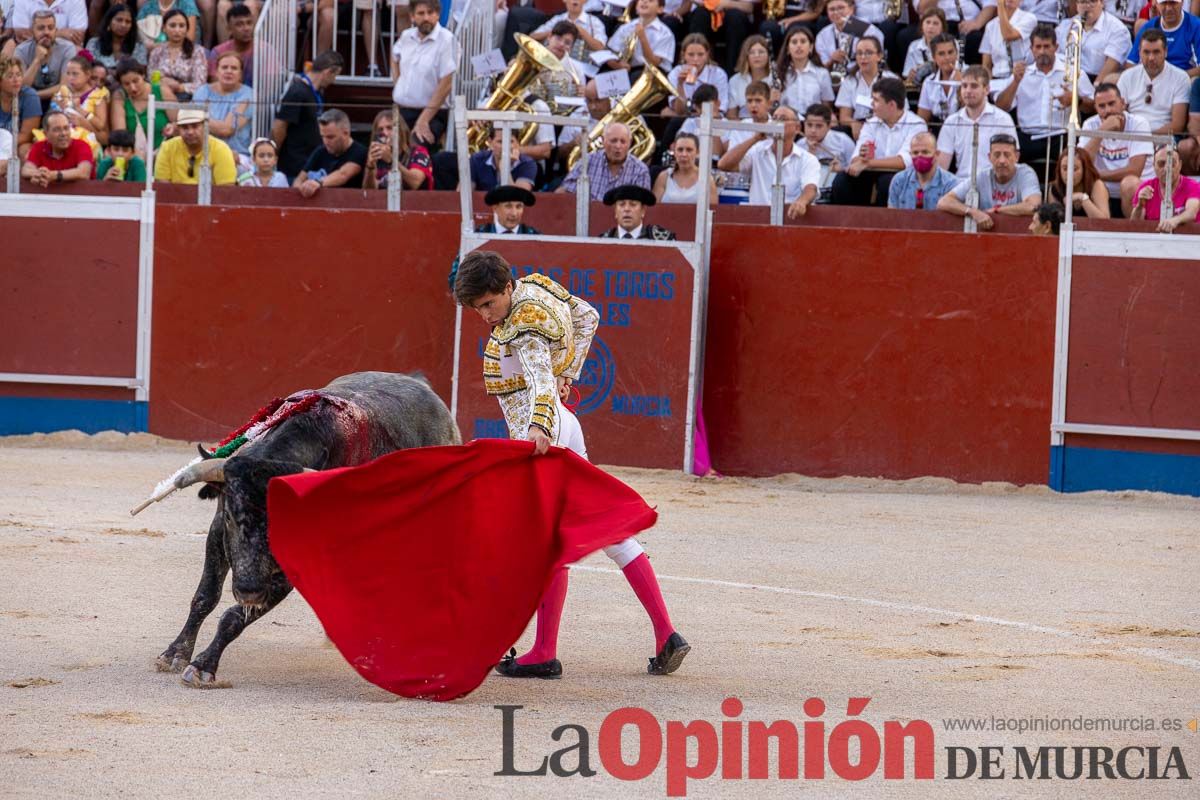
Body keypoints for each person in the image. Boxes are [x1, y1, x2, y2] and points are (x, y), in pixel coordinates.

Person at [452, 250, 689, 678]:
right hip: (566, 425)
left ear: (506, 287)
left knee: (532, 543)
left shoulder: (522, 327)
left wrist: (540, 426)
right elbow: (588, 316)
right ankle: (666, 633)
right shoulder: (539, 289)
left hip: (541, 434)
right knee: (608, 535)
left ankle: (539, 651)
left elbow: (540, 383)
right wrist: (571, 373)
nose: (484, 315)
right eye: (477, 308)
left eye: (488, 304)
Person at [994, 23, 1095, 165]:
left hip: (1060, 136)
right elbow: (1001, 107)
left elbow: (1094, 107)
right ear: (1032, 49)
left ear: (1056, 47)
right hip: (1026, 137)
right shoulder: (1021, 74)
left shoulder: (1074, 72)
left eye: (1047, 46)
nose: (1042, 51)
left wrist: (1076, 100)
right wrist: (1015, 82)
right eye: (1038, 47)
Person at [831, 76, 926, 206]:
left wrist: (868, 163)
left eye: (876, 100)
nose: (871, 104)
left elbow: (904, 162)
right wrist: (861, 157)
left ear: (891, 105)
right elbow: (856, 158)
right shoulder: (871, 123)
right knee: (843, 180)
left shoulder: (916, 124)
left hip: (903, 175)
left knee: (888, 183)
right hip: (873, 170)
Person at [717, 104, 822, 218]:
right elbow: (723, 165)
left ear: (797, 128)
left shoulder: (807, 159)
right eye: (774, 118)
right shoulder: (758, 150)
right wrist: (755, 138)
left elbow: (811, 188)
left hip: (790, 220)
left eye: (782, 119)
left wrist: (801, 202)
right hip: (758, 220)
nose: (777, 123)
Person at [446, 184, 541, 291]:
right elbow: (456, 280)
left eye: (519, 206)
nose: (514, 213)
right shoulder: (477, 235)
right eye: (508, 206)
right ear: (495, 208)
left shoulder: (534, 236)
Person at [937, 132, 1042, 227]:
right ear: (989, 157)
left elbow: (1033, 206)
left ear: (1017, 156)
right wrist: (972, 212)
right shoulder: (983, 176)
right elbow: (944, 202)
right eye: (997, 155)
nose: (1002, 160)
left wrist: (997, 210)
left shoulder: (1025, 173)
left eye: (1007, 155)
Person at [390, 0, 456, 148]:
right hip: (401, 110)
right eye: (421, 13)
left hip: (433, 114)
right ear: (412, 17)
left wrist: (424, 120)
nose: (426, 17)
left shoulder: (447, 40)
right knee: (383, 146)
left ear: (438, 15)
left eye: (430, 13)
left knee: (414, 147)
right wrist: (398, 84)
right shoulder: (406, 36)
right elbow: (394, 57)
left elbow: (447, 83)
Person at [1082, 83, 1154, 216]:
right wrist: (1102, 131)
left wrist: (1096, 175)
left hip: (1138, 191)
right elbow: (1081, 162)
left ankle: (1133, 231)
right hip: (1103, 192)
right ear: (1095, 108)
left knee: (1129, 183)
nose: (1107, 110)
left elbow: (1135, 170)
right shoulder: (1090, 125)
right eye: (1102, 106)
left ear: (1123, 103)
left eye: (1111, 104)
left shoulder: (1139, 123)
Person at [936, 64, 1018, 179]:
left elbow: (1011, 161)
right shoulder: (952, 121)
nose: (968, 91)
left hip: (994, 184)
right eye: (964, 86)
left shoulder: (1003, 119)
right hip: (961, 184)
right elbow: (941, 167)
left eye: (974, 86)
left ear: (987, 89)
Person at [272, 49, 342, 182]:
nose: (333, 81)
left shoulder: (317, 93)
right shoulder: (297, 92)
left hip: (310, 165)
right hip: (293, 167)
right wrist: (274, 156)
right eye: (335, 76)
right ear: (327, 72)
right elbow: (279, 127)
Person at [1117, 29, 1190, 135]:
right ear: (1139, 53)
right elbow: (1118, 113)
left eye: (1156, 52)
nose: (1151, 58)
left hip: (1164, 138)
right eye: (1146, 52)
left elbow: (1178, 125)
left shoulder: (1181, 78)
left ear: (1165, 52)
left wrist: (1147, 139)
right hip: (1131, 136)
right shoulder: (1127, 76)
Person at [557, 121, 651, 199]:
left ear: (630, 143)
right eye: (613, 141)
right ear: (603, 140)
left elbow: (642, 206)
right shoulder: (587, 161)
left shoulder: (640, 170)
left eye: (623, 141)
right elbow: (564, 192)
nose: (618, 146)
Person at [835, 35, 897, 139]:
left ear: (879, 56)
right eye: (859, 53)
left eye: (868, 53)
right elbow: (844, 116)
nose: (863, 57)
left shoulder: (892, 80)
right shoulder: (850, 81)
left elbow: (899, 112)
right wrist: (853, 123)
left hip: (884, 124)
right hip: (858, 125)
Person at [294, 108, 367, 196]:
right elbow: (300, 179)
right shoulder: (320, 151)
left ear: (346, 133)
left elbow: (343, 174)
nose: (325, 142)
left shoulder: (359, 152)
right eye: (322, 136)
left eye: (330, 137)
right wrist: (300, 189)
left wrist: (318, 183)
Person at [153, 107, 237, 184]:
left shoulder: (221, 149)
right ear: (178, 129)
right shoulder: (167, 148)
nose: (190, 132)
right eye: (185, 127)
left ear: (205, 126)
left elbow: (226, 190)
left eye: (195, 126)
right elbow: (163, 188)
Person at [192, 50, 251, 159]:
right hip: (204, 151)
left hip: (236, 154)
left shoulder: (248, 95)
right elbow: (193, 121)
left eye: (234, 68)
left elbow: (226, 129)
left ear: (240, 74)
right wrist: (198, 121)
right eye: (224, 67)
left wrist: (202, 120)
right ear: (217, 72)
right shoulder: (203, 91)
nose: (229, 71)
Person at [110, 57, 177, 152]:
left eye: (135, 81)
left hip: (166, 150)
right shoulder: (119, 97)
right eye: (126, 84)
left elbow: (179, 122)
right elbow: (120, 134)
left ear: (143, 75)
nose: (133, 88)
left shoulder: (162, 91)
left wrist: (173, 127)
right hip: (134, 154)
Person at [1129, 145, 1200, 231]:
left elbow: (1191, 213)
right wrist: (1140, 205)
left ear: (1180, 165)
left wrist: (1174, 221)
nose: (1167, 169)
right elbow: (1135, 224)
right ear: (1154, 166)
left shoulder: (1192, 185)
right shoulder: (1146, 187)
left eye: (1172, 163)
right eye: (1161, 164)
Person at [1058, 0, 1130, 84]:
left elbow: (1111, 65)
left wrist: (1094, 92)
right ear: (1077, 5)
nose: (1088, 6)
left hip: (1096, 80)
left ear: (1102, 3)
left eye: (1092, 1)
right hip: (1067, 77)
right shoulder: (1066, 26)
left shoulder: (1117, 29)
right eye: (1083, 2)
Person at [362, 108, 433, 191]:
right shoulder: (377, 156)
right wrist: (370, 167)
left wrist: (392, 161)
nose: (385, 133)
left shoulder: (418, 152)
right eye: (380, 129)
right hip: (382, 202)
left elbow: (415, 183)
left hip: (416, 202)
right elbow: (369, 193)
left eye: (389, 128)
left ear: (401, 130)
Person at [15, 10, 77, 104]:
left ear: (56, 30)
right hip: (28, 102)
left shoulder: (67, 49)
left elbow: (66, 86)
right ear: (32, 31)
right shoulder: (21, 51)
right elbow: (20, 87)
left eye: (50, 28)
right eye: (41, 28)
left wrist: (35, 95)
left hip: (57, 99)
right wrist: (37, 60)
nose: (46, 32)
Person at [887, 131, 958, 210]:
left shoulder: (951, 183)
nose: (919, 156)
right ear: (910, 154)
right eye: (915, 152)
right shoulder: (899, 181)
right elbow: (892, 215)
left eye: (925, 152)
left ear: (937, 154)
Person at [1125, 0, 1200, 75]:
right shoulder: (1148, 27)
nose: (1168, 8)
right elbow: (1131, 63)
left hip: (1185, 80)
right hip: (1151, 79)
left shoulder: (1196, 26)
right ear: (1157, 4)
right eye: (1164, 3)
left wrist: (1176, 79)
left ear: (1182, 2)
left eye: (1173, 3)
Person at [146, 9, 207, 99]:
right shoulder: (157, 51)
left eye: (181, 26)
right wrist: (162, 82)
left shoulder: (197, 51)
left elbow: (200, 84)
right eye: (172, 25)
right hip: (161, 96)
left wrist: (179, 87)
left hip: (188, 99)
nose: (177, 30)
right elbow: (151, 78)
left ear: (187, 29)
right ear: (164, 28)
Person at [48, 54, 106, 148]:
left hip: (87, 143)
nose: (70, 78)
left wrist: (83, 122)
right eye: (68, 73)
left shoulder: (97, 96)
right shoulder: (62, 92)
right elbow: (49, 120)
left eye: (75, 74)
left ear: (87, 74)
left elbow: (101, 129)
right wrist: (57, 110)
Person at [21, 108, 92, 184]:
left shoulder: (82, 145)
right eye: (57, 129)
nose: (63, 133)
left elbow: (84, 173)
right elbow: (26, 170)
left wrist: (54, 175)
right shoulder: (39, 147)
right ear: (45, 133)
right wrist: (38, 174)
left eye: (66, 128)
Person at [801, 102, 855, 201]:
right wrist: (810, 155)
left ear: (829, 125)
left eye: (818, 126)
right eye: (809, 125)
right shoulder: (799, 145)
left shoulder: (843, 140)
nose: (813, 130)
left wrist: (842, 170)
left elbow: (854, 168)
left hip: (836, 190)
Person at [664, 33, 729, 118]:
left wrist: (692, 115)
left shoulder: (718, 74)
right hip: (683, 120)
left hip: (711, 120)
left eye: (700, 54)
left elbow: (719, 111)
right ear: (684, 55)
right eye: (691, 55)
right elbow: (679, 111)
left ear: (707, 55)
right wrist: (680, 84)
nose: (695, 59)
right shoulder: (675, 73)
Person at [778, 24, 834, 117]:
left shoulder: (822, 73)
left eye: (803, 41)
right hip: (786, 121)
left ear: (811, 47)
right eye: (794, 42)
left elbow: (826, 105)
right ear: (788, 49)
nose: (799, 46)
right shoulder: (778, 72)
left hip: (813, 122)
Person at [816, 0, 884, 77]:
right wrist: (832, 60)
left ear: (851, 9)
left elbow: (877, 57)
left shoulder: (868, 29)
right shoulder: (822, 35)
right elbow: (822, 67)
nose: (836, 12)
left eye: (841, 8)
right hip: (834, 77)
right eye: (832, 9)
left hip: (864, 74)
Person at [605, 0, 675, 73]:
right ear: (636, 7)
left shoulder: (665, 33)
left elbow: (654, 63)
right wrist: (618, 64)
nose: (644, 1)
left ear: (660, 9)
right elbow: (612, 52)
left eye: (650, 1)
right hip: (626, 69)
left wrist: (642, 37)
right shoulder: (626, 27)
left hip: (651, 72)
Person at [653, 132, 717, 204]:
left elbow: (713, 211)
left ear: (697, 152)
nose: (684, 154)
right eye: (680, 150)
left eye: (689, 150)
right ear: (674, 151)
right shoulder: (664, 177)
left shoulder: (707, 179)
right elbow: (654, 209)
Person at [530, 0, 607, 59]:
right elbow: (532, 37)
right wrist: (558, 31)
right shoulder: (558, 19)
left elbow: (601, 48)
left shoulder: (594, 22)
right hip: (554, 60)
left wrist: (583, 33)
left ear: (585, 1)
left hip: (583, 68)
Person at [980, 0, 1037, 80]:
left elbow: (1008, 35)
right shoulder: (990, 26)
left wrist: (1000, 5)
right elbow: (986, 65)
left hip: (1022, 76)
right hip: (997, 78)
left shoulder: (1029, 18)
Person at [470, 124, 538, 191]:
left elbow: (518, 197)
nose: (506, 146)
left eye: (511, 141)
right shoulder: (476, 159)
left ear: (518, 143)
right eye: (500, 141)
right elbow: (462, 193)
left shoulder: (527, 163)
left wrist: (504, 167)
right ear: (490, 142)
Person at [1049, 146, 1111, 218]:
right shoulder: (1055, 188)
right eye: (1065, 169)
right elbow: (1053, 221)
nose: (1069, 173)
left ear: (1085, 170)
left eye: (1075, 169)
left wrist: (1082, 198)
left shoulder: (1096, 185)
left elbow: (1104, 220)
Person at [1, 54, 44, 157]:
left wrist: (4, 145)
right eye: (10, 76)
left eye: (19, 74)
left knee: (25, 150)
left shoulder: (30, 96)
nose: (16, 80)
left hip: (16, 143)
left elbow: (27, 135)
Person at [727, 34, 777, 119]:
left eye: (761, 52)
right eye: (752, 52)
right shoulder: (735, 80)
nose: (757, 56)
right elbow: (732, 115)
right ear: (746, 56)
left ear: (768, 55)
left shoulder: (776, 80)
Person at [916, 33, 962, 123]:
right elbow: (922, 120)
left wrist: (962, 85)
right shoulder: (929, 82)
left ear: (957, 54)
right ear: (934, 57)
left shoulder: (969, 77)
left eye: (950, 52)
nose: (947, 58)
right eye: (941, 54)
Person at [85, 4, 147, 71]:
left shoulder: (138, 46)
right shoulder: (94, 44)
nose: (123, 25)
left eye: (128, 22)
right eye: (119, 20)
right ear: (109, 21)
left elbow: (140, 72)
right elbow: (87, 69)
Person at [206, 2, 253, 84]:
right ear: (229, 28)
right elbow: (215, 84)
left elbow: (272, 84)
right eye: (239, 25)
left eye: (249, 23)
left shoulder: (264, 50)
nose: (246, 28)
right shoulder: (218, 52)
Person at [903, 7, 948, 85]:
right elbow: (907, 74)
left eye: (935, 23)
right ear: (922, 26)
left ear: (942, 28)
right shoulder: (914, 46)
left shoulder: (951, 44)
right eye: (928, 22)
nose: (930, 27)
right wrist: (911, 76)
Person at [10, 0, 86, 46]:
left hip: (64, 48)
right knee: (11, 47)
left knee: (77, 49)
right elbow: (22, 34)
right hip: (32, 47)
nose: (46, 32)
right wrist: (61, 33)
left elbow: (78, 36)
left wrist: (39, 33)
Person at [136, 0, 200, 50]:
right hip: (152, 48)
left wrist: (158, 47)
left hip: (182, 48)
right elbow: (138, 28)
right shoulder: (149, 4)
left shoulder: (186, 3)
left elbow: (189, 38)